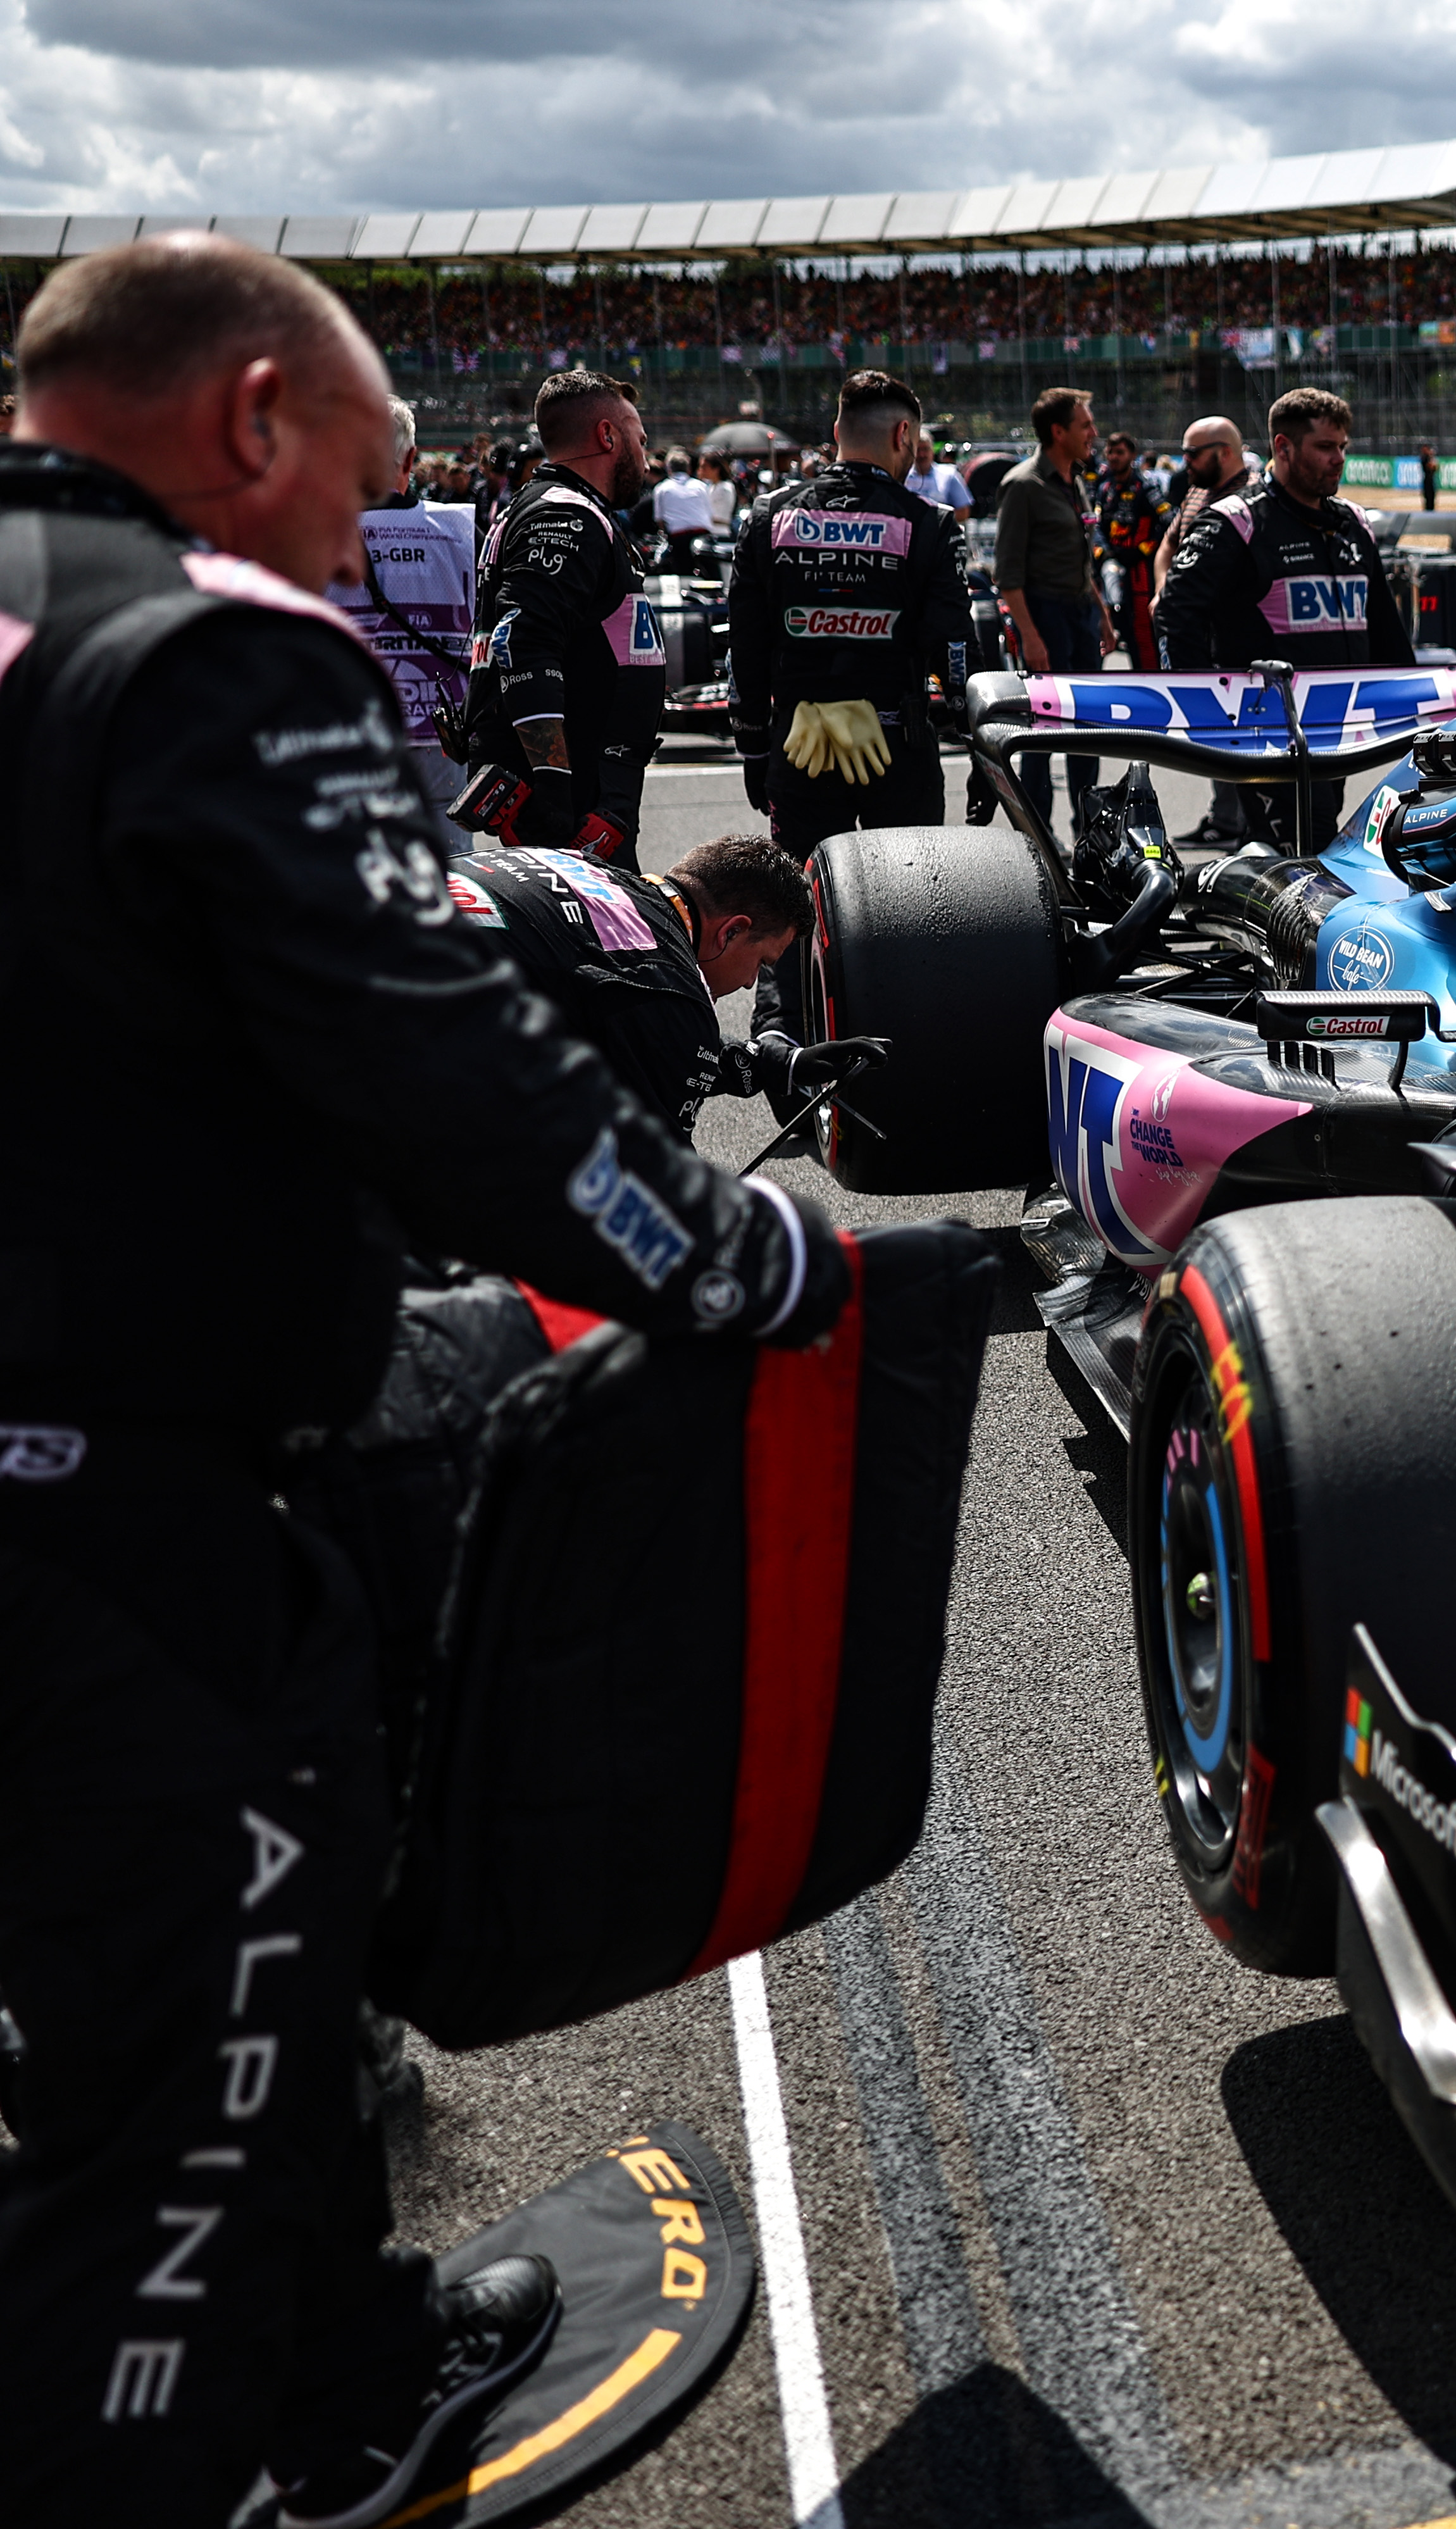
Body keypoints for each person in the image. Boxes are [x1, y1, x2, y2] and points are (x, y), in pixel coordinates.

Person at [0, 231, 840, 2529]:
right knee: (164, 2110)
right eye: (370, 476)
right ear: (250, 420)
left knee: (226, 1976)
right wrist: (739, 1254)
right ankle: (215, 2454)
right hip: (112, 1515)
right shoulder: (204, 647)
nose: (384, 535)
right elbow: (454, 1065)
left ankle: (346, 2356)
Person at [1155, 385, 1412, 853]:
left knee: (1313, 841)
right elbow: (1175, 614)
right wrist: (1202, 707)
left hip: (1342, 730)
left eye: (1343, 448)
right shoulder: (1235, 521)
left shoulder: (1353, 521)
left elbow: (1384, 622)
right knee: (1301, 847)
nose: (1339, 459)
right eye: (1325, 447)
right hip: (1270, 731)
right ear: (1283, 447)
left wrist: (1417, 705)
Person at [727, 367, 969, 859]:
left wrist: (754, 747)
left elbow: (745, 645)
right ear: (905, 435)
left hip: (800, 746)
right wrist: (976, 743)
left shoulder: (767, 516)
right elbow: (956, 646)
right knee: (912, 906)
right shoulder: (930, 523)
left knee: (804, 911)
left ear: (837, 433)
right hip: (898, 745)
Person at [444, 834, 816, 1130]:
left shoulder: (587, 866)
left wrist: (774, 1063)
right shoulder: (668, 988)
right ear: (732, 932)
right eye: (761, 962)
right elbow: (662, 1186)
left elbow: (639, 1029)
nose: (752, 982)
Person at [462, 367, 666, 866]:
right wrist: (554, 785)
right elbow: (524, 643)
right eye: (639, 440)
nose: (645, 457)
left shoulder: (549, 507)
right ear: (607, 435)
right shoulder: (566, 515)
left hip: (593, 785)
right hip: (577, 802)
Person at [326, 394, 480, 849]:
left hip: (351, 734)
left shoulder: (312, 536)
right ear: (411, 457)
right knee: (453, 881)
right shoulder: (461, 530)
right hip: (444, 733)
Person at [992, 385, 1106, 835]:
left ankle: (1088, 830)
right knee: (1042, 733)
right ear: (1058, 432)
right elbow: (1007, 574)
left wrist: (1104, 616)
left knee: (1088, 730)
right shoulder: (1022, 486)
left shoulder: (1075, 481)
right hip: (1045, 615)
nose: (1093, 433)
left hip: (1080, 615)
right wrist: (1032, 636)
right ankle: (1036, 831)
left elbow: (1082, 557)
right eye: (1085, 425)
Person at [1153, 415, 1252, 846]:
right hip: (1193, 634)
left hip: (1234, 639)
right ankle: (1225, 819)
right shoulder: (1196, 492)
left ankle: (1241, 823)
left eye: (1193, 453)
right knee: (1212, 731)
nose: (1185, 461)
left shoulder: (1253, 499)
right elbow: (1167, 548)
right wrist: (1164, 592)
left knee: (1238, 732)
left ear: (1224, 453)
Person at [1093, 430, 1167, 668]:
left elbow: (1168, 522)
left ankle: (1151, 678)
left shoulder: (1146, 487)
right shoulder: (1105, 488)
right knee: (1117, 624)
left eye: (1120, 452)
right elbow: (1096, 526)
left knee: (1143, 628)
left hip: (1140, 570)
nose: (1114, 457)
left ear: (1132, 455)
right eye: (1111, 452)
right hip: (1112, 567)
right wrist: (1104, 553)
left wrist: (1143, 551)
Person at [646, 447, 714, 558]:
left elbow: (659, 520)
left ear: (669, 470)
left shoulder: (661, 489)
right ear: (689, 469)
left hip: (678, 536)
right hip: (703, 533)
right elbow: (710, 513)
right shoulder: (701, 486)